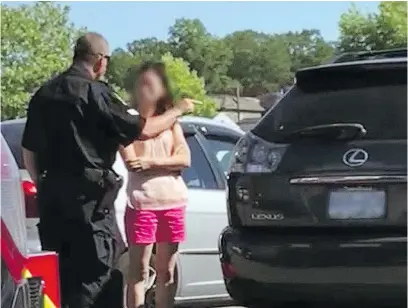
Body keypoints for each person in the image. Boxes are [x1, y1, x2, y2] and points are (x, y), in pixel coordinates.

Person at [21, 32, 195, 308]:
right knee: (97, 280)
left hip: (53, 203)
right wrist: (177, 111)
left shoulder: (45, 94)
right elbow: (144, 130)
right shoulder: (96, 93)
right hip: (89, 205)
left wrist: (40, 184)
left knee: (61, 279)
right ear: (100, 61)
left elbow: (28, 148)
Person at [120, 62, 191, 308]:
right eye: (142, 82)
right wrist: (169, 164)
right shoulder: (127, 121)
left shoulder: (172, 123)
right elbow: (131, 162)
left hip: (173, 202)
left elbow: (185, 158)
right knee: (138, 272)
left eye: (152, 83)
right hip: (142, 204)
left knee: (167, 272)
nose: (146, 88)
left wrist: (151, 162)